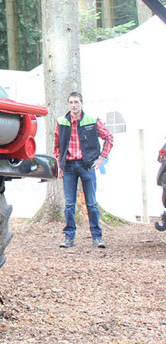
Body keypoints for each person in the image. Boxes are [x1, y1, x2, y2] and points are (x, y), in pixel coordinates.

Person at [53, 92, 113, 248]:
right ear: (68, 104)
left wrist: (101, 158)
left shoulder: (92, 120)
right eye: (71, 102)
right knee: (69, 204)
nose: (74, 105)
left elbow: (109, 137)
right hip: (69, 166)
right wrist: (60, 165)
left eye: (76, 102)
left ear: (81, 104)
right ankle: (69, 237)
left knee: (92, 203)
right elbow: (57, 147)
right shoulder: (61, 122)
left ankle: (97, 237)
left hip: (87, 165)